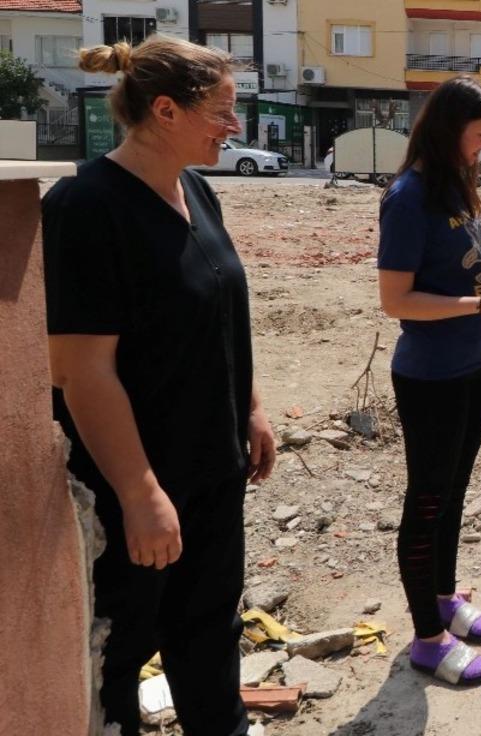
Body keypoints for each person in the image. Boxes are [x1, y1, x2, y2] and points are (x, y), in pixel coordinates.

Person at [42, 36, 274, 735]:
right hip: (138, 491)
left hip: (211, 473)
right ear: (165, 110)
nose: (235, 129)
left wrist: (253, 407)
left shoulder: (196, 190)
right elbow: (83, 371)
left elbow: (221, 311)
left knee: (209, 638)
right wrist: (141, 494)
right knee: (122, 653)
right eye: (223, 112)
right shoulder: (85, 208)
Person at [377, 76, 481, 686]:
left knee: (454, 492)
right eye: (479, 135)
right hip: (432, 376)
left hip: (478, 362)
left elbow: (472, 260)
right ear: (449, 132)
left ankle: (443, 596)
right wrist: (480, 308)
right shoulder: (409, 197)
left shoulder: (459, 185)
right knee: (426, 501)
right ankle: (426, 637)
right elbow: (396, 300)